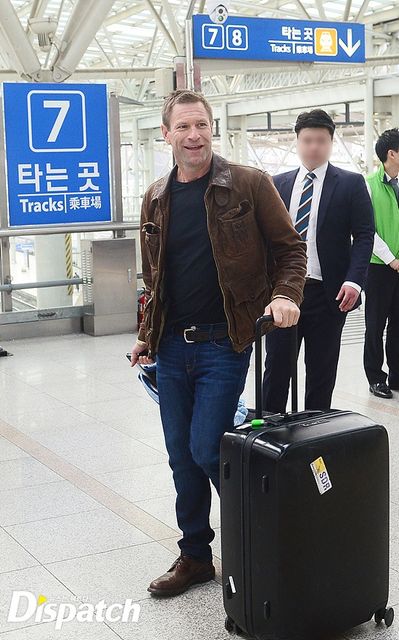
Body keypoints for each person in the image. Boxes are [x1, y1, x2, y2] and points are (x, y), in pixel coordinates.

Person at [130, 89, 307, 598]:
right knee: (180, 456)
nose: (194, 136)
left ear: (213, 128)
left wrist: (283, 296)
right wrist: (147, 337)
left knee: (209, 446)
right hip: (170, 345)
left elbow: (290, 250)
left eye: (201, 125)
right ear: (165, 134)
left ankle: (261, 531)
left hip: (224, 341)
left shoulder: (249, 184)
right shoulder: (156, 196)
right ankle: (195, 556)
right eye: (183, 127)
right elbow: (155, 277)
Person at [263, 109, 374, 413]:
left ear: (331, 143)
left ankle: (314, 435)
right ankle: (269, 435)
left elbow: (365, 235)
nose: (314, 147)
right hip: (284, 293)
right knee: (276, 369)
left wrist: (354, 281)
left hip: (329, 295)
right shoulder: (278, 184)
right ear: (297, 142)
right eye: (308, 140)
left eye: (321, 141)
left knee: (321, 372)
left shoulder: (350, 184)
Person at [364, 128, 399, 398]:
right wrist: (392, 260)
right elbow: (366, 230)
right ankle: (376, 378)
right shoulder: (368, 185)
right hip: (378, 267)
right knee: (375, 325)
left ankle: (397, 375)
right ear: (392, 154)